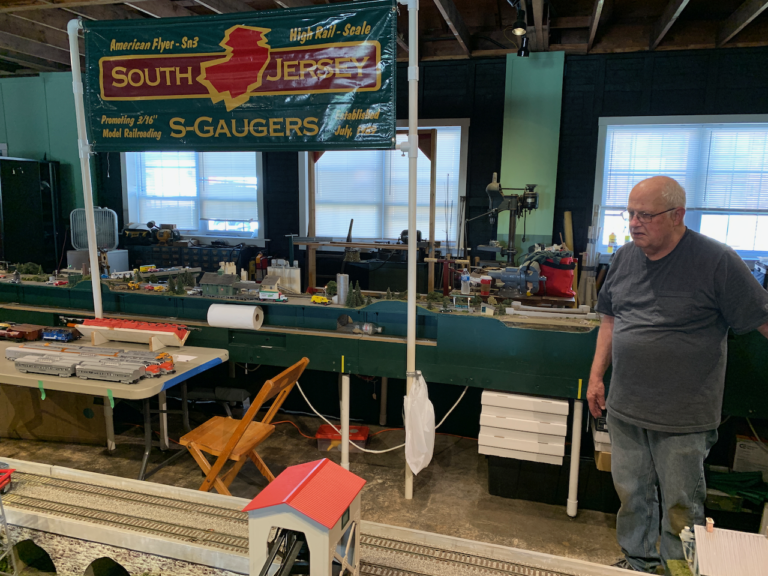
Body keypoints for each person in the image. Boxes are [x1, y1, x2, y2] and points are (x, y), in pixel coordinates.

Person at [587, 176, 768, 574]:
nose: (634, 223)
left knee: (681, 505)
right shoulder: (624, 257)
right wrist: (597, 376)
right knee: (632, 496)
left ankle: (678, 570)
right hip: (627, 407)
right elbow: (610, 319)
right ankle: (638, 562)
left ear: (677, 215)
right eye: (630, 214)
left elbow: (762, 318)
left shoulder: (717, 260)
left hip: (684, 416)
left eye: (645, 215)